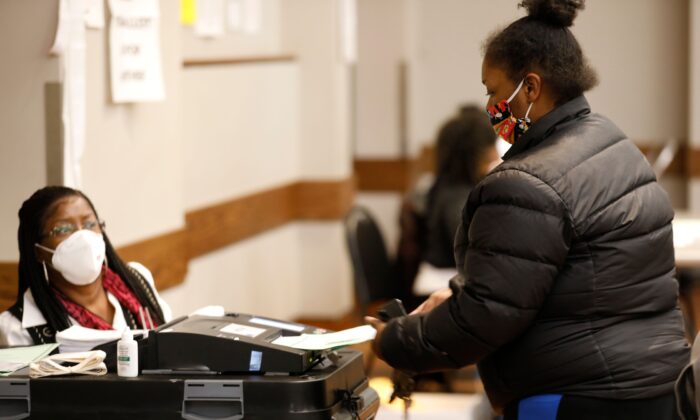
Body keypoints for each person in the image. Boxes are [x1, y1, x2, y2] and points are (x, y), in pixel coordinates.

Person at [367, 1, 689, 419]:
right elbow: (561, 282)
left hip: (577, 396)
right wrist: (462, 295)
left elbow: (485, 318)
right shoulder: (613, 144)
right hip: (656, 386)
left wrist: (394, 340)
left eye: (494, 91)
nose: (490, 106)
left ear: (531, 88)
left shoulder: (525, 183)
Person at [0, 186, 172, 346]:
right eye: (63, 229)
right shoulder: (16, 329)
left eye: (90, 224)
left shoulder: (138, 279)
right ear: (38, 250)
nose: (83, 236)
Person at [396, 105, 497, 307]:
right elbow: (470, 252)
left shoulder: (442, 185)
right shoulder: (457, 198)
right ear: (477, 154)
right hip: (438, 285)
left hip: (434, 277)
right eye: (492, 146)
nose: (496, 154)